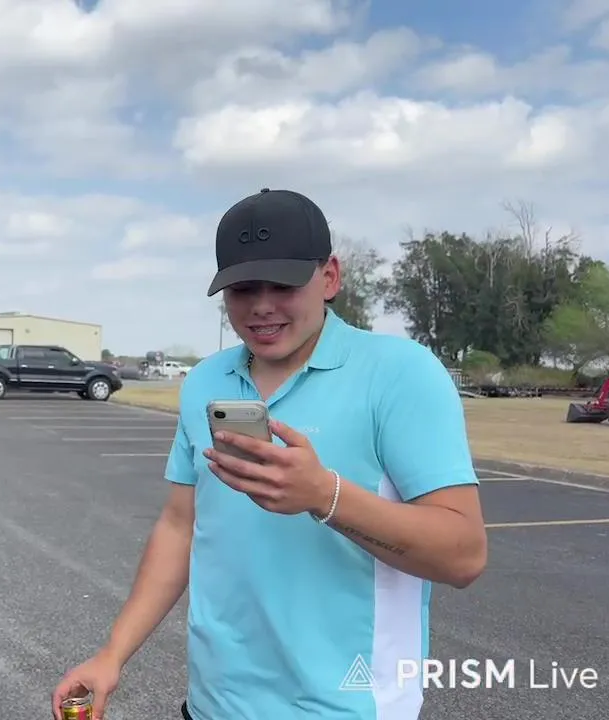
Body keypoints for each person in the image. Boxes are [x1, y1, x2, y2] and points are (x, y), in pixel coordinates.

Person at [52, 188, 488, 720]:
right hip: (213, 706)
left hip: (348, 709)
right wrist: (112, 654)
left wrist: (324, 496)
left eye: (283, 284)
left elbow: (463, 556)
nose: (261, 306)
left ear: (330, 277)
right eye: (242, 288)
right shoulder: (205, 381)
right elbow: (181, 526)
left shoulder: (400, 373)